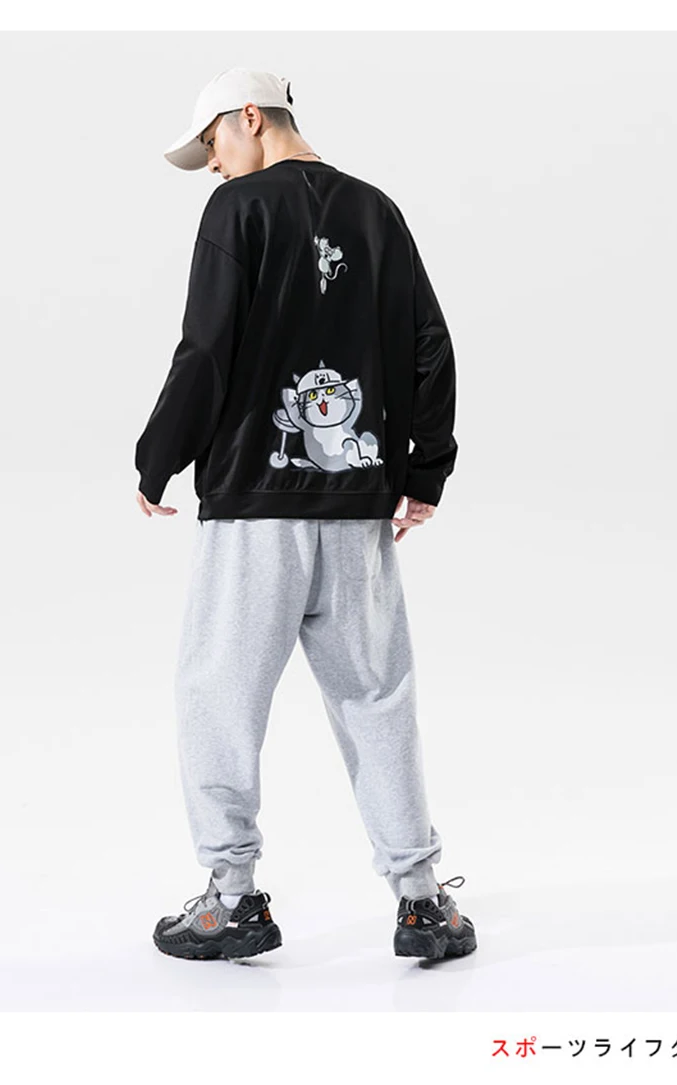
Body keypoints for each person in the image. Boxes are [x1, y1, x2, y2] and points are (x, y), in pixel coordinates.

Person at [135, 68, 476, 963]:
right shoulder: (376, 211)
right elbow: (430, 345)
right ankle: (422, 903)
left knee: (218, 695)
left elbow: (206, 348)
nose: (213, 165)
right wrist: (424, 473)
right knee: (377, 697)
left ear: (250, 117)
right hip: (358, 511)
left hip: (256, 510)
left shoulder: (238, 211)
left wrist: (158, 455)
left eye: (212, 144)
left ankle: (231, 898)